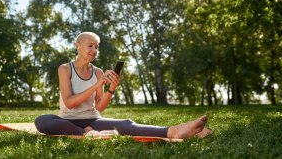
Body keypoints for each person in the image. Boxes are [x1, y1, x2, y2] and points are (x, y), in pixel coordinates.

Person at [35, 32, 211, 139]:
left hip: (92, 119)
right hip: (68, 120)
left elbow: (100, 107)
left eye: (97, 47)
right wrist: (97, 84)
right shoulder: (65, 69)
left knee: (126, 124)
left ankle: (173, 131)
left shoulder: (98, 72)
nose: (94, 50)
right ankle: (86, 133)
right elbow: (70, 102)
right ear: (77, 46)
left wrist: (111, 88)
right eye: (90, 45)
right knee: (43, 121)